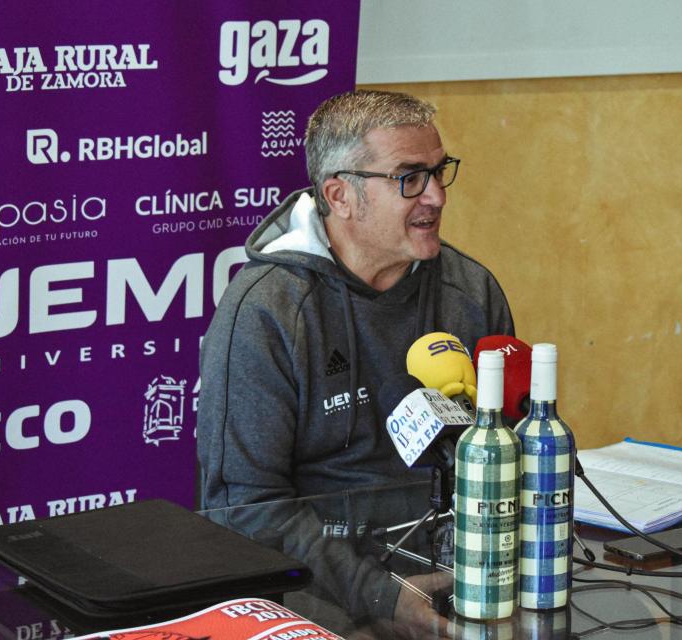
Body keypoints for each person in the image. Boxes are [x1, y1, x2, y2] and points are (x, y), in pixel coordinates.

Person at [196, 89, 514, 636]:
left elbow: (505, 452)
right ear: (340, 195)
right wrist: (383, 599)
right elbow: (245, 510)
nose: (436, 196)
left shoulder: (470, 291)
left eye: (440, 172)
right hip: (317, 598)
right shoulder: (267, 309)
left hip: (457, 583)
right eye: (409, 177)